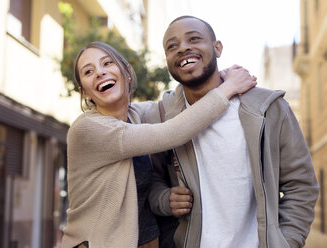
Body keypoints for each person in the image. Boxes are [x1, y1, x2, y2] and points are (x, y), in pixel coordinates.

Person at [61, 41, 256, 248]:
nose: (99, 72)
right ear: (84, 92)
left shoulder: (136, 115)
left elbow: (177, 103)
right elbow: (172, 132)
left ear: (127, 73)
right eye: (88, 71)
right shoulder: (87, 128)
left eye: (107, 63)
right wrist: (229, 87)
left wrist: (215, 77)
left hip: (148, 241)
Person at [147, 16, 319, 248]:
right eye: (172, 46)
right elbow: (152, 183)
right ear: (167, 59)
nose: (183, 48)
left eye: (194, 39)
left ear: (217, 48)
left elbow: (301, 185)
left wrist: (286, 243)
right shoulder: (160, 116)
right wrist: (164, 199)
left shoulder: (269, 108)